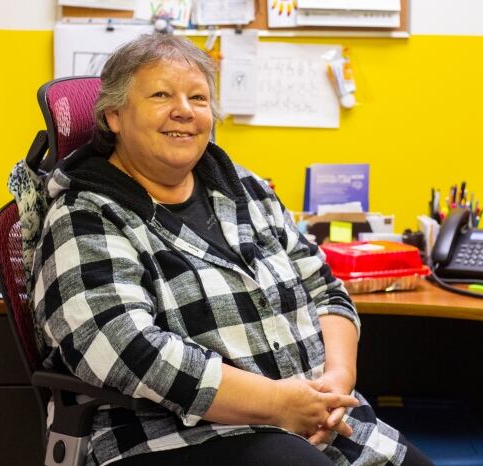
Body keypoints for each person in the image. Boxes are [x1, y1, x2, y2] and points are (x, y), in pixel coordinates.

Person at [30, 33, 433, 466]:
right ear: (113, 116)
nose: (184, 110)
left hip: (318, 419)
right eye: (161, 94)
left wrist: (336, 383)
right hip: (173, 436)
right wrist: (278, 404)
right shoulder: (85, 214)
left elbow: (325, 290)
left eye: (198, 97)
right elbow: (125, 348)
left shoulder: (247, 191)